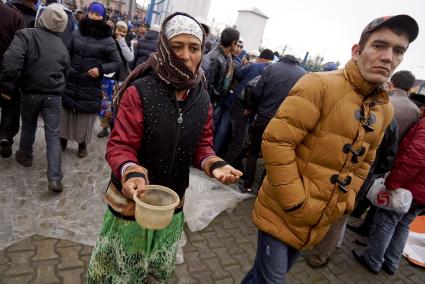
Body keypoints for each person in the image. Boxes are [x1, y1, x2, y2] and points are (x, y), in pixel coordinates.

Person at [242, 14, 418, 283]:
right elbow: (277, 141)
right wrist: (295, 200)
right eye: (379, 45)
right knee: (271, 280)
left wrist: (345, 202)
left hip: (321, 216)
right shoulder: (319, 84)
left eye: (398, 51)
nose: (387, 57)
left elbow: (366, 161)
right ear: (357, 50)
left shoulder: (385, 109)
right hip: (284, 209)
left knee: (262, 276)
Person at [87, 12, 242, 282]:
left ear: (201, 51)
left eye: (193, 48)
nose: (185, 55)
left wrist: (216, 165)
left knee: (153, 269)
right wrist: (131, 172)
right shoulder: (141, 91)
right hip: (132, 202)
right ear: (164, 48)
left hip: (171, 202)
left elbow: (203, 146)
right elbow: (120, 145)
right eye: (177, 46)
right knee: (123, 269)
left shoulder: (202, 98)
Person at [353, 93, 425, 275]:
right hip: (420, 192)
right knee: (403, 225)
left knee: (386, 221)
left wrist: (393, 182)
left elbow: (413, 159)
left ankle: (373, 260)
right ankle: (391, 263)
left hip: (409, 187)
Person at [0, 3, 69, 191]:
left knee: (29, 125)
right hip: (54, 96)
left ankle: (25, 155)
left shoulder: (27, 35)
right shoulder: (62, 46)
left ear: (43, 17)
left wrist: (7, 84)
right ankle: (55, 178)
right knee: (53, 135)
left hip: (30, 92)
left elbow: (12, 61)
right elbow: (66, 72)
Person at [60, 2, 121, 158]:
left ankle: (82, 145)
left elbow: (116, 62)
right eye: (92, 13)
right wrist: (68, 67)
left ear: (102, 17)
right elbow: (66, 52)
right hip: (72, 79)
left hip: (90, 84)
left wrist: (100, 69)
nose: (94, 16)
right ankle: (62, 140)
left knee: (85, 116)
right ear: (87, 13)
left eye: (97, 14)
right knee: (66, 112)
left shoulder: (108, 39)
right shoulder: (76, 32)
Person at [240, 54, 306, 193]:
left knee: (254, 151)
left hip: (263, 117)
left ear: (282, 59)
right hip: (284, 123)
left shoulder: (271, 68)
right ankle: (263, 190)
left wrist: (254, 107)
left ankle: (247, 185)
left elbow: (256, 92)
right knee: (273, 156)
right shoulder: (303, 75)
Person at [219, 49, 275, 166]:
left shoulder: (254, 66)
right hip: (244, 108)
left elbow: (238, 74)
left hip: (234, 101)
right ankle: (224, 165)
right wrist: (249, 107)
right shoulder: (270, 72)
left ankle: (214, 154)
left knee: (224, 131)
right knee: (238, 140)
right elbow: (251, 88)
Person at [0, 0, 35, 159]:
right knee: (10, 106)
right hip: (10, 70)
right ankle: (6, 135)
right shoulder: (15, 16)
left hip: (9, 69)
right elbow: (22, 47)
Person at [97, 21, 134, 138]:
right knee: (105, 104)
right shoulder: (109, 41)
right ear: (114, 30)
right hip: (109, 77)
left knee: (118, 104)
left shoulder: (128, 42)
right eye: (119, 30)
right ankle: (104, 127)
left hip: (122, 78)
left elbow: (130, 57)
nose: (121, 33)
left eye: (124, 31)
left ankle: (115, 128)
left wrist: (122, 42)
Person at [202, 27, 239, 132]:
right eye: (236, 43)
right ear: (233, 43)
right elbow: (209, 85)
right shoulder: (215, 57)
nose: (236, 47)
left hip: (216, 102)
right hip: (211, 103)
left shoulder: (226, 57)